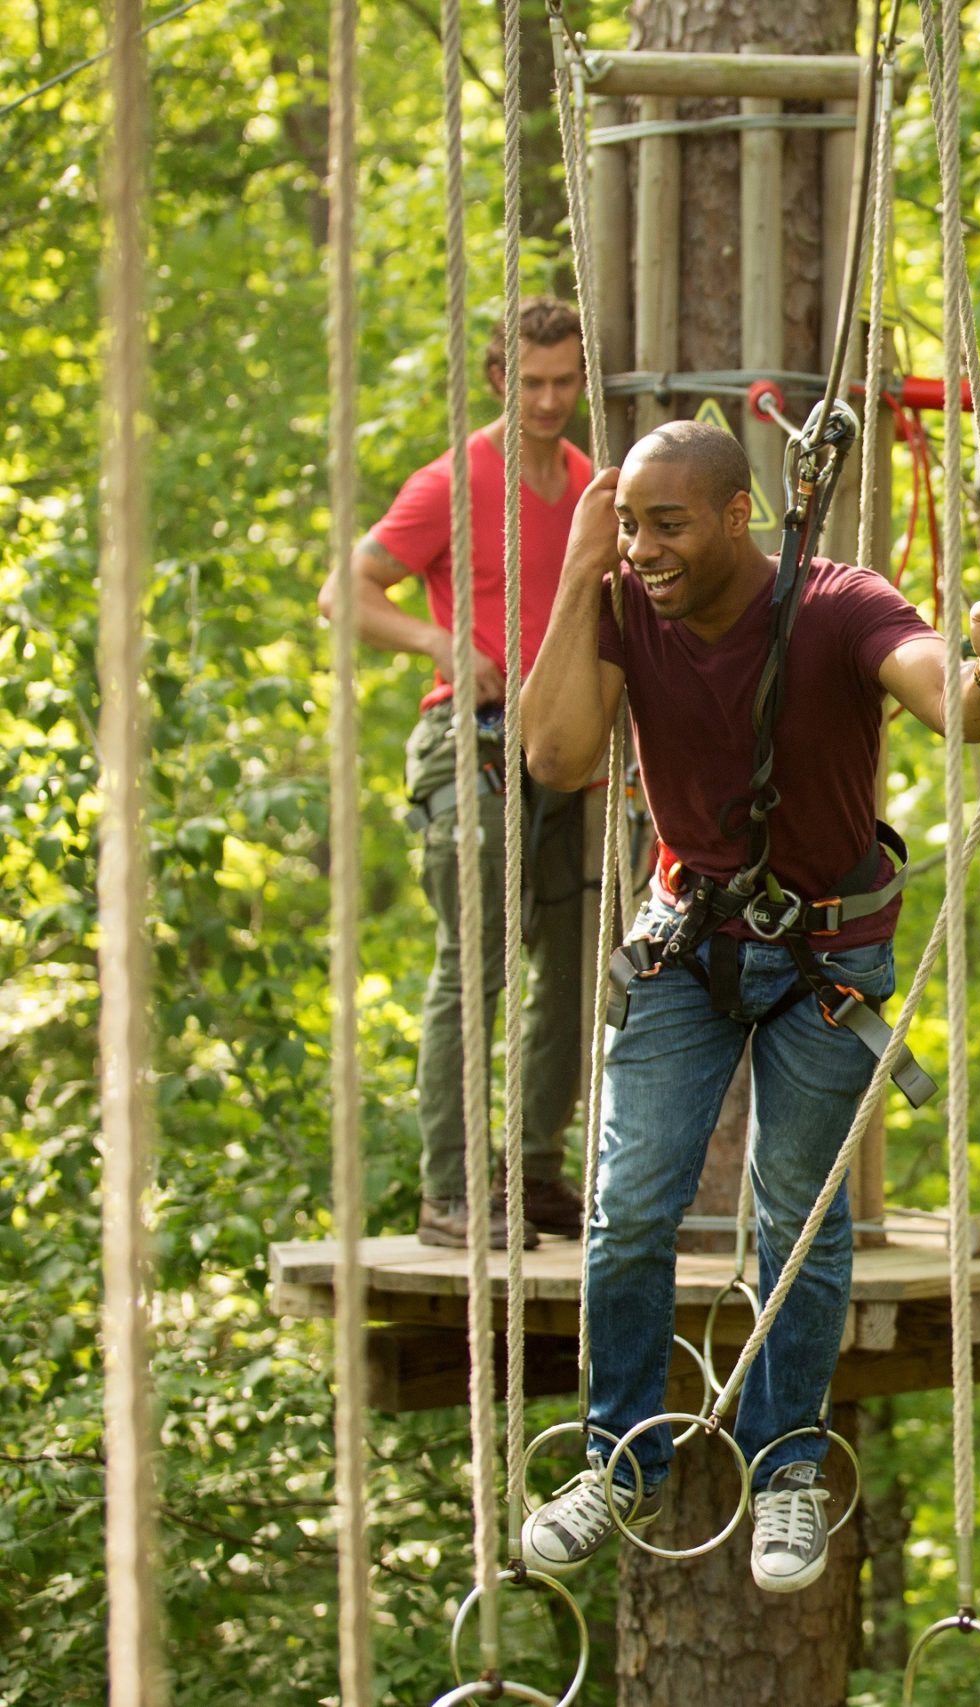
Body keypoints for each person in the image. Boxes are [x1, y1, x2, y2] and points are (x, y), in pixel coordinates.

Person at [514, 419, 980, 1595]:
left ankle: (789, 1467)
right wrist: (574, 577)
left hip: (823, 962)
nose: (644, 547)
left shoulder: (840, 603)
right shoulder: (620, 607)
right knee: (629, 1205)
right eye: (630, 524)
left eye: (669, 523)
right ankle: (615, 1457)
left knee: (799, 1221)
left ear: (737, 516)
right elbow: (555, 758)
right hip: (689, 944)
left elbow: (951, 711)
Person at [319, 296, 594, 1247]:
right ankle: (449, 1189)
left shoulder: (591, 486)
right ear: (497, 380)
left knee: (572, 974)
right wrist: (440, 638)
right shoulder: (452, 482)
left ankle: (533, 1172)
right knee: (474, 963)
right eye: (533, 383)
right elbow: (344, 593)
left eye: (564, 382)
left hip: (566, 753)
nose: (549, 400)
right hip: (469, 743)